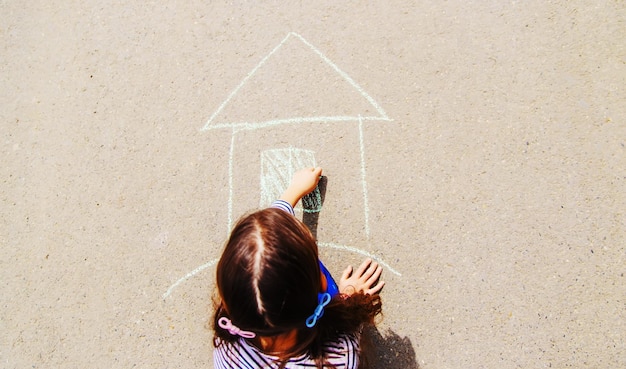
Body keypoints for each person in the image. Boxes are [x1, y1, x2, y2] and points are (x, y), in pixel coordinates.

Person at [213, 167, 384, 369]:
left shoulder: (226, 346)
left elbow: (268, 248)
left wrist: (291, 194)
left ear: (226, 299)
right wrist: (348, 296)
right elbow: (348, 332)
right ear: (322, 283)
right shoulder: (340, 356)